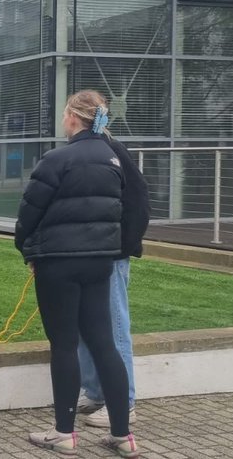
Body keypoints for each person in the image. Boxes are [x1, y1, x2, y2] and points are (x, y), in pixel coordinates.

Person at [15, 92, 141, 457]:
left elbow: (30, 211)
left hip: (59, 264)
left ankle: (64, 432)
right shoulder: (114, 158)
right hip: (100, 261)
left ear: (72, 117)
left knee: (65, 344)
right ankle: (123, 434)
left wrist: (26, 248)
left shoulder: (57, 159)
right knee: (104, 342)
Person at [74, 91, 150, 429]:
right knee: (85, 323)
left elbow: (138, 203)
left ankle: (125, 402)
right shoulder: (95, 152)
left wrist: (122, 247)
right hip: (89, 253)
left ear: (77, 117)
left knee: (115, 327)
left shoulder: (112, 153)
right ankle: (95, 391)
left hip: (111, 254)